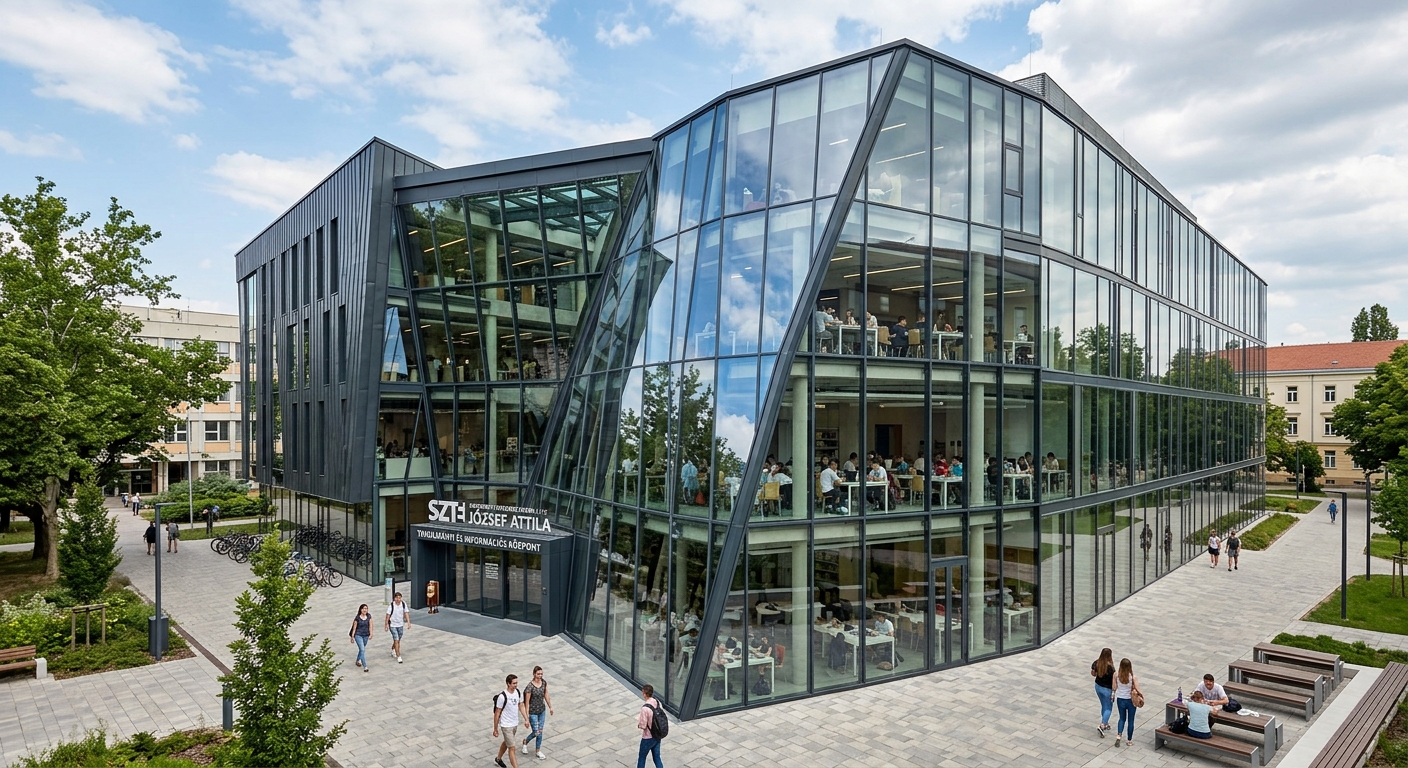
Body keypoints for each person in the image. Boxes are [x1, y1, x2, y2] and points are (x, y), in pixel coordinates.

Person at [520, 665, 554, 760]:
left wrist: (550, 706)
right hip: (533, 712)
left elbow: (546, 694)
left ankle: (538, 750)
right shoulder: (530, 687)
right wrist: (526, 718)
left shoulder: (544, 683)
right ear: (534, 674)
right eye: (538, 674)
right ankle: (525, 741)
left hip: (542, 710)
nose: (540, 676)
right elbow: (526, 703)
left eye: (541, 674)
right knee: (536, 732)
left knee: (540, 731)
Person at [493, 674, 526, 768]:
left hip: (514, 723)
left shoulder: (517, 692)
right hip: (506, 725)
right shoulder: (502, 696)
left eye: (517, 683)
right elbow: (497, 713)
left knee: (507, 743)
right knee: (512, 747)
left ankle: (498, 759)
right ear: (508, 684)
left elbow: (521, 705)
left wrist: (526, 719)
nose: (516, 685)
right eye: (514, 683)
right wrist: (495, 728)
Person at [1113, 658, 1142, 748]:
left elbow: (1114, 687)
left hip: (1120, 699)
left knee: (1121, 718)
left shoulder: (1116, 675)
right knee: (1131, 720)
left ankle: (1119, 735)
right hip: (1130, 700)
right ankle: (1129, 740)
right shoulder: (1133, 677)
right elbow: (1137, 689)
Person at [637, 683, 665, 768]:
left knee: (642, 758)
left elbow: (643, 725)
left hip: (648, 737)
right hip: (657, 734)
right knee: (657, 757)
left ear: (644, 693)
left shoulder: (645, 708)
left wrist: (639, 724)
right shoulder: (656, 701)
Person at [1091, 647, 1115, 737]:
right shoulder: (1110, 668)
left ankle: (1106, 722)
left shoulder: (1096, 663)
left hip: (1098, 687)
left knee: (1103, 705)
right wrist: (1114, 691)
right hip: (1107, 689)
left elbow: (1093, 673)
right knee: (1108, 708)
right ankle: (1102, 725)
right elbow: (1113, 681)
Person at [386, 591, 410, 663]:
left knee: (398, 639)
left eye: (399, 598)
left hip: (400, 624)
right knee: (396, 640)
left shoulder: (403, 604)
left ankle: (393, 649)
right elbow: (387, 616)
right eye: (396, 598)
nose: (398, 599)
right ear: (394, 598)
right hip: (393, 625)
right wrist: (386, 625)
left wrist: (408, 622)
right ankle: (398, 655)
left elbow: (406, 613)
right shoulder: (391, 606)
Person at [348, 603, 372, 672]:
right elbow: (354, 628)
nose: (365, 610)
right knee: (362, 650)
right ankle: (365, 666)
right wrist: (352, 637)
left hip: (366, 635)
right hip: (358, 635)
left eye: (366, 608)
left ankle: (358, 660)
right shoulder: (357, 618)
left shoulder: (369, 616)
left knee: (362, 649)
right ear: (361, 610)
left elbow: (371, 625)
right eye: (364, 608)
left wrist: (371, 633)